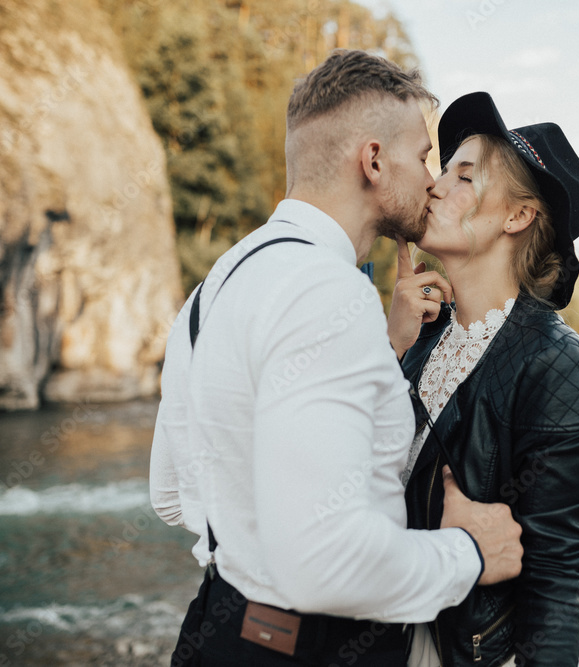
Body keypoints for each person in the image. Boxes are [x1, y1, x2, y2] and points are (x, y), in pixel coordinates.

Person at [149, 53, 524, 666]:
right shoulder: (328, 292)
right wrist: (470, 554)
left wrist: (384, 350)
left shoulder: (216, 284)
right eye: (423, 157)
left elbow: (172, 495)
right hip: (312, 650)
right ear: (374, 161)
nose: (433, 180)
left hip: (216, 630)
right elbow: (325, 565)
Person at [387, 92, 579, 667]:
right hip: (405, 637)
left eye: (464, 176)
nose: (436, 186)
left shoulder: (558, 364)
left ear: (517, 217)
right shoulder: (421, 337)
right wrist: (388, 346)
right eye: (442, 170)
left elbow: (555, 586)